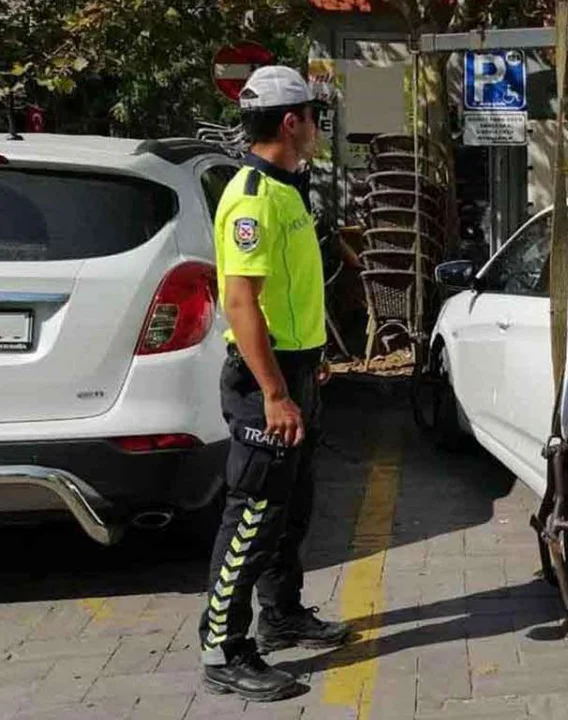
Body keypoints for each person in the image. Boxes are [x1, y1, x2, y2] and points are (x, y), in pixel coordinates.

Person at [198, 65, 352, 702]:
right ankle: (224, 648)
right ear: (291, 122)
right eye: (314, 117)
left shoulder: (289, 188)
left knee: (290, 508)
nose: (318, 129)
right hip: (267, 380)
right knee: (254, 512)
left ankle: (281, 614)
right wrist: (274, 391)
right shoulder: (253, 198)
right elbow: (241, 305)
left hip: (295, 369)